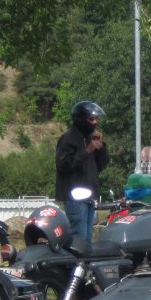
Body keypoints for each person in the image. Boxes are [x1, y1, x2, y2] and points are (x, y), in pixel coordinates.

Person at [56, 100, 109, 243]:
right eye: (92, 118)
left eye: (96, 118)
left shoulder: (89, 138)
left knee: (87, 239)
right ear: (81, 119)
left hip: (89, 195)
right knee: (79, 237)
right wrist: (87, 150)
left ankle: (86, 265)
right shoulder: (68, 139)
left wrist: (101, 146)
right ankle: (76, 265)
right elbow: (63, 166)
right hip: (75, 197)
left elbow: (101, 166)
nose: (95, 122)